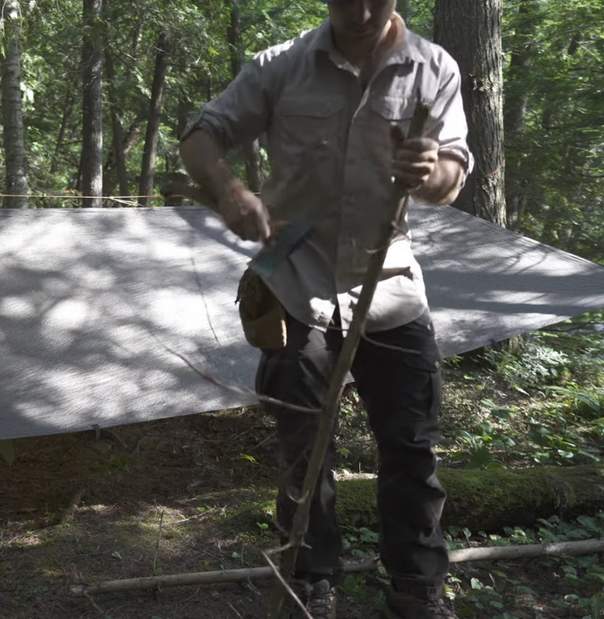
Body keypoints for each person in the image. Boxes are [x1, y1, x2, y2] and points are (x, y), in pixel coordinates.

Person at [178, 1, 473, 618]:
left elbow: (452, 177)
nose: (361, 12)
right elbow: (202, 136)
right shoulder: (282, 66)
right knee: (303, 445)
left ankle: (416, 591)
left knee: (411, 446)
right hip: (292, 276)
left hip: (388, 280)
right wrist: (230, 191)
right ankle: (309, 580)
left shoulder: (432, 67)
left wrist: (431, 171)